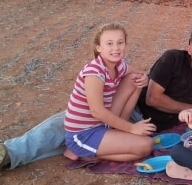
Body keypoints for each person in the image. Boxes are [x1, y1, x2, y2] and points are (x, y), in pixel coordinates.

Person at [0, 26, 192, 178]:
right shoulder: (173, 59)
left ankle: (11, 155)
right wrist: (188, 109)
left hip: (118, 115)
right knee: (63, 124)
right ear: (189, 47)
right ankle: (6, 153)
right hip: (128, 114)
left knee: (70, 128)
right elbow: (151, 96)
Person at [63, 23, 155, 163]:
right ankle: (82, 152)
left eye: (120, 43)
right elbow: (97, 111)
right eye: (109, 43)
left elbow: (139, 74)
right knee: (146, 146)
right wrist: (132, 128)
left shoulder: (119, 65)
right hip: (84, 133)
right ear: (99, 47)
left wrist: (144, 79)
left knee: (134, 79)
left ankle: (118, 133)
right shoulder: (94, 72)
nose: (116, 48)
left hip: (102, 124)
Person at [136, 25, 192, 131]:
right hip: (140, 116)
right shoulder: (172, 59)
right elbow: (152, 98)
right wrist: (191, 108)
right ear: (189, 49)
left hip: (175, 126)